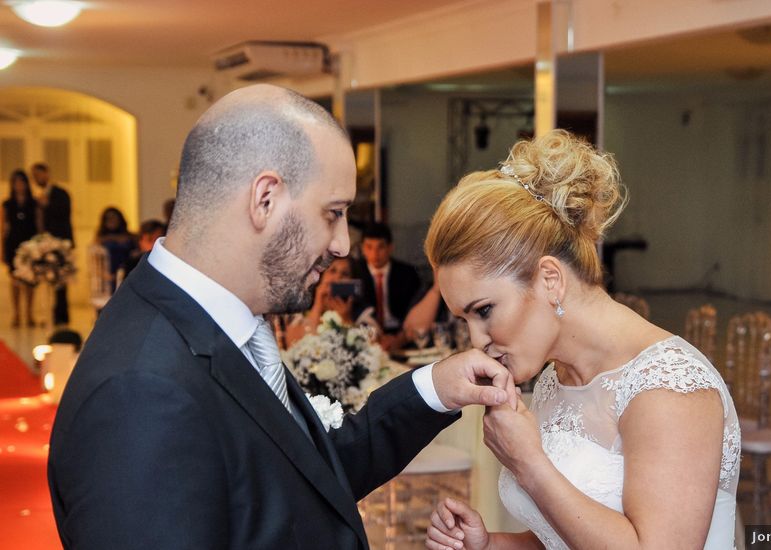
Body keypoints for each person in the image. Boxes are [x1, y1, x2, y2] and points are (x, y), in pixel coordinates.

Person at [48, 83, 516, 550]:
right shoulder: (141, 393)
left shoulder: (222, 325)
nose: (343, 245)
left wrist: (436, 387)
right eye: (333, 213)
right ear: (265, 199)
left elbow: (303, 476)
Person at [423, 130, 740, 550]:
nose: (477, 340)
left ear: (550, 279)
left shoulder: (668, 388)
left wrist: (530, 465)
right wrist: (489, 544)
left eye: (484, 311)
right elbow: (564, 537)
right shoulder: (559, 378)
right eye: (465, 319)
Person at [352, 222, 422, 350]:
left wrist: (400, 337)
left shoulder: (407, 273)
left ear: (390, 248)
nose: (375, 253)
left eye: (381, 247)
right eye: (369, 247)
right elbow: (355, 309)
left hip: (401, 334)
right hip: (366, 335)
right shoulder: (354, 273)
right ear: (362, 249)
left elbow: (415, 309)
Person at [281, 256, 359, 347]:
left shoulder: (361, 316)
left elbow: (358, 348)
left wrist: (346, 319)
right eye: (333, 271)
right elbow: (297, 346)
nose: (338, 277)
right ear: (322, 276)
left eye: (345, 274)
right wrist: (318, 305)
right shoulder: (299, 318)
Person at [32, 162, 73, 326]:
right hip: (45, 242)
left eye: (38, 174)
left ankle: (61, 315)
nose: (36, 178)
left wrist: (46, 205)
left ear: (46, 173)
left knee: (61, 280)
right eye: (33, 176)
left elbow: (64, 214)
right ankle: (49, 314)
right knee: (47, 278)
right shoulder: (38, 195)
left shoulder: (60, 193)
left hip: (60, 242)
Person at [2, 169, 40, 327]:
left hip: (30, 243)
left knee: (30, 281)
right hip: (13, 243)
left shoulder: (34, 203)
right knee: (15, 281)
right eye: (16, 182)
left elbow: (39, 225)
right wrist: (2, 249)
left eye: (22, 182)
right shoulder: (7, 204)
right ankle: (17, 314)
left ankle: (29, 313)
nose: (19, 185)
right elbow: (3, 227)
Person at [95, 206, 138, 291]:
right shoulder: (101, 238)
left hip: (128, 271)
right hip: (108, 275)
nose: (111, 220)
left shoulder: (130, 236)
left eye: (114, 217)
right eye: (108, 218)